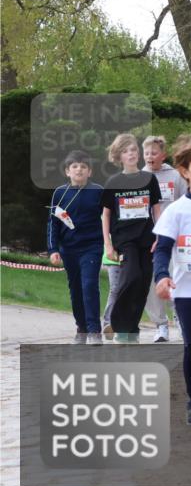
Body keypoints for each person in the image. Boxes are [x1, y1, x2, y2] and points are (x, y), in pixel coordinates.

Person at [152, 134, 191, 425]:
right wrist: (162, 277)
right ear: (184, 171)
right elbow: (162, 250)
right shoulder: (176, 211)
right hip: (188, 293)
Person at [101, 133, 162, 343]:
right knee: (131, 277)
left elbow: (156, 209)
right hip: (124, 240)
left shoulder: (149, 179)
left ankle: (132, 330)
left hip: (147, 238)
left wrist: (160, 235)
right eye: (126, 151)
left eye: (134, 149)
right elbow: (106, 214)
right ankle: (117, 325)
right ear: (119, 156)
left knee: (143, 283)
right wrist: (108, 244)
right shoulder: (114, 182)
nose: (131, 154)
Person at [47, 150, 105, 344]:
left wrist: (112, 243)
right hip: (69, 249)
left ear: (90, 171)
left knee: (89, 285)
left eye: (83, 166)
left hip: (92, 247)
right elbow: (53, 223)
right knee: (76, 289)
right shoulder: (59, 193)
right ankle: (81, 328)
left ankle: (94, 331)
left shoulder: (98, 191)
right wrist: (53, 249)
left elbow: (108, 218)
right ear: (67, 171)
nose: (79, 170)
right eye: (75, 166)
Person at [142, 135, 187, 342]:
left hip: (172, 235)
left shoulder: (175, 176)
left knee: (175, 276)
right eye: (146, 153)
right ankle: (160, 324)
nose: (150, 156)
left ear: (163, 155)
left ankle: (180, 316)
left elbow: (185, 201)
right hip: (148, 236)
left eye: (154, 153)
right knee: (153, 281)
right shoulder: (139, 176)